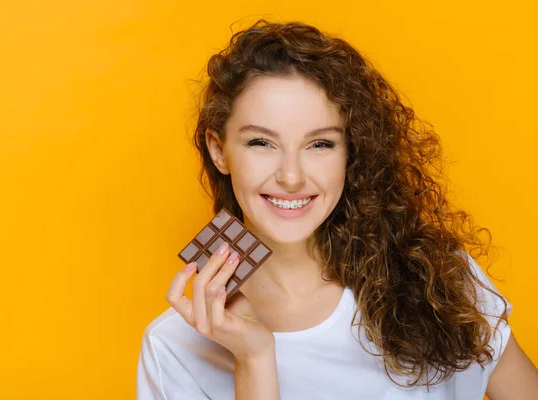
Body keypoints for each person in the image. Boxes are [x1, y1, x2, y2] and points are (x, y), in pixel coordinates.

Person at [137, 19, 538, 399]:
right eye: (261, 143)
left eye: (320, 144)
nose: (291, 177)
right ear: (218, 150)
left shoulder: (436, 278)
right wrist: (254, 358)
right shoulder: (175, 347)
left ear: (350, 153)